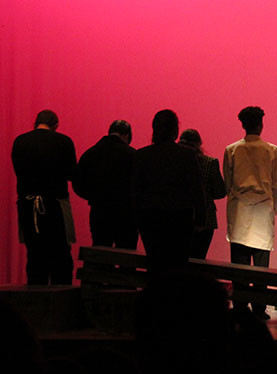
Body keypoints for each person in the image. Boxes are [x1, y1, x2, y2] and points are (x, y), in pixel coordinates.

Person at [224, 106, 277, 320]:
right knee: (260, 264)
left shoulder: (232, 150)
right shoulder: (272, 151)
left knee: (239, 263)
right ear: (261, 124)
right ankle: (259, 307)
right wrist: (271, 210)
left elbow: (228, 184)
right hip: (263, 209)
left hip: (240, 209)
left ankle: (240, 305)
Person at [132, 110, 205, 273]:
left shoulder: (142, 155)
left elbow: (136, 190)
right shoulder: (187, 155)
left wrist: (136, 218)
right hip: (179, 218)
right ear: (175, 130)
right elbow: (196, 188)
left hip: (150, 218)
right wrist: (200, 218)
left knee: (155, 263)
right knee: (178, 265)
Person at [11, 110, 77, 285]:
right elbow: (72, 173)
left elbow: (18, 171)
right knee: (60, 254)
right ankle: (61, 301)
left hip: (27, 203)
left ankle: (35, 299)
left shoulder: (20, 142)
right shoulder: (63, 142)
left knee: (34, 253)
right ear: (55, 125)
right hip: (56, 202)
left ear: (35, 123)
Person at [73, 120, 137, 249]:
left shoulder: (91, 153)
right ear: (127, 135)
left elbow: (78, 184)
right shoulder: (133, 155)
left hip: (99, 211)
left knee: (101, 252)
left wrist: (94, 197)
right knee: (126, 256)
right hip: (126, 214)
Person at [178, 129, 226, 259]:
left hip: (178, 216)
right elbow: (220, 192)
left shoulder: (175, 161)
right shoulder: (209, 163)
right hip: (206, 218)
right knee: (199, 258)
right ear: (199, 143)